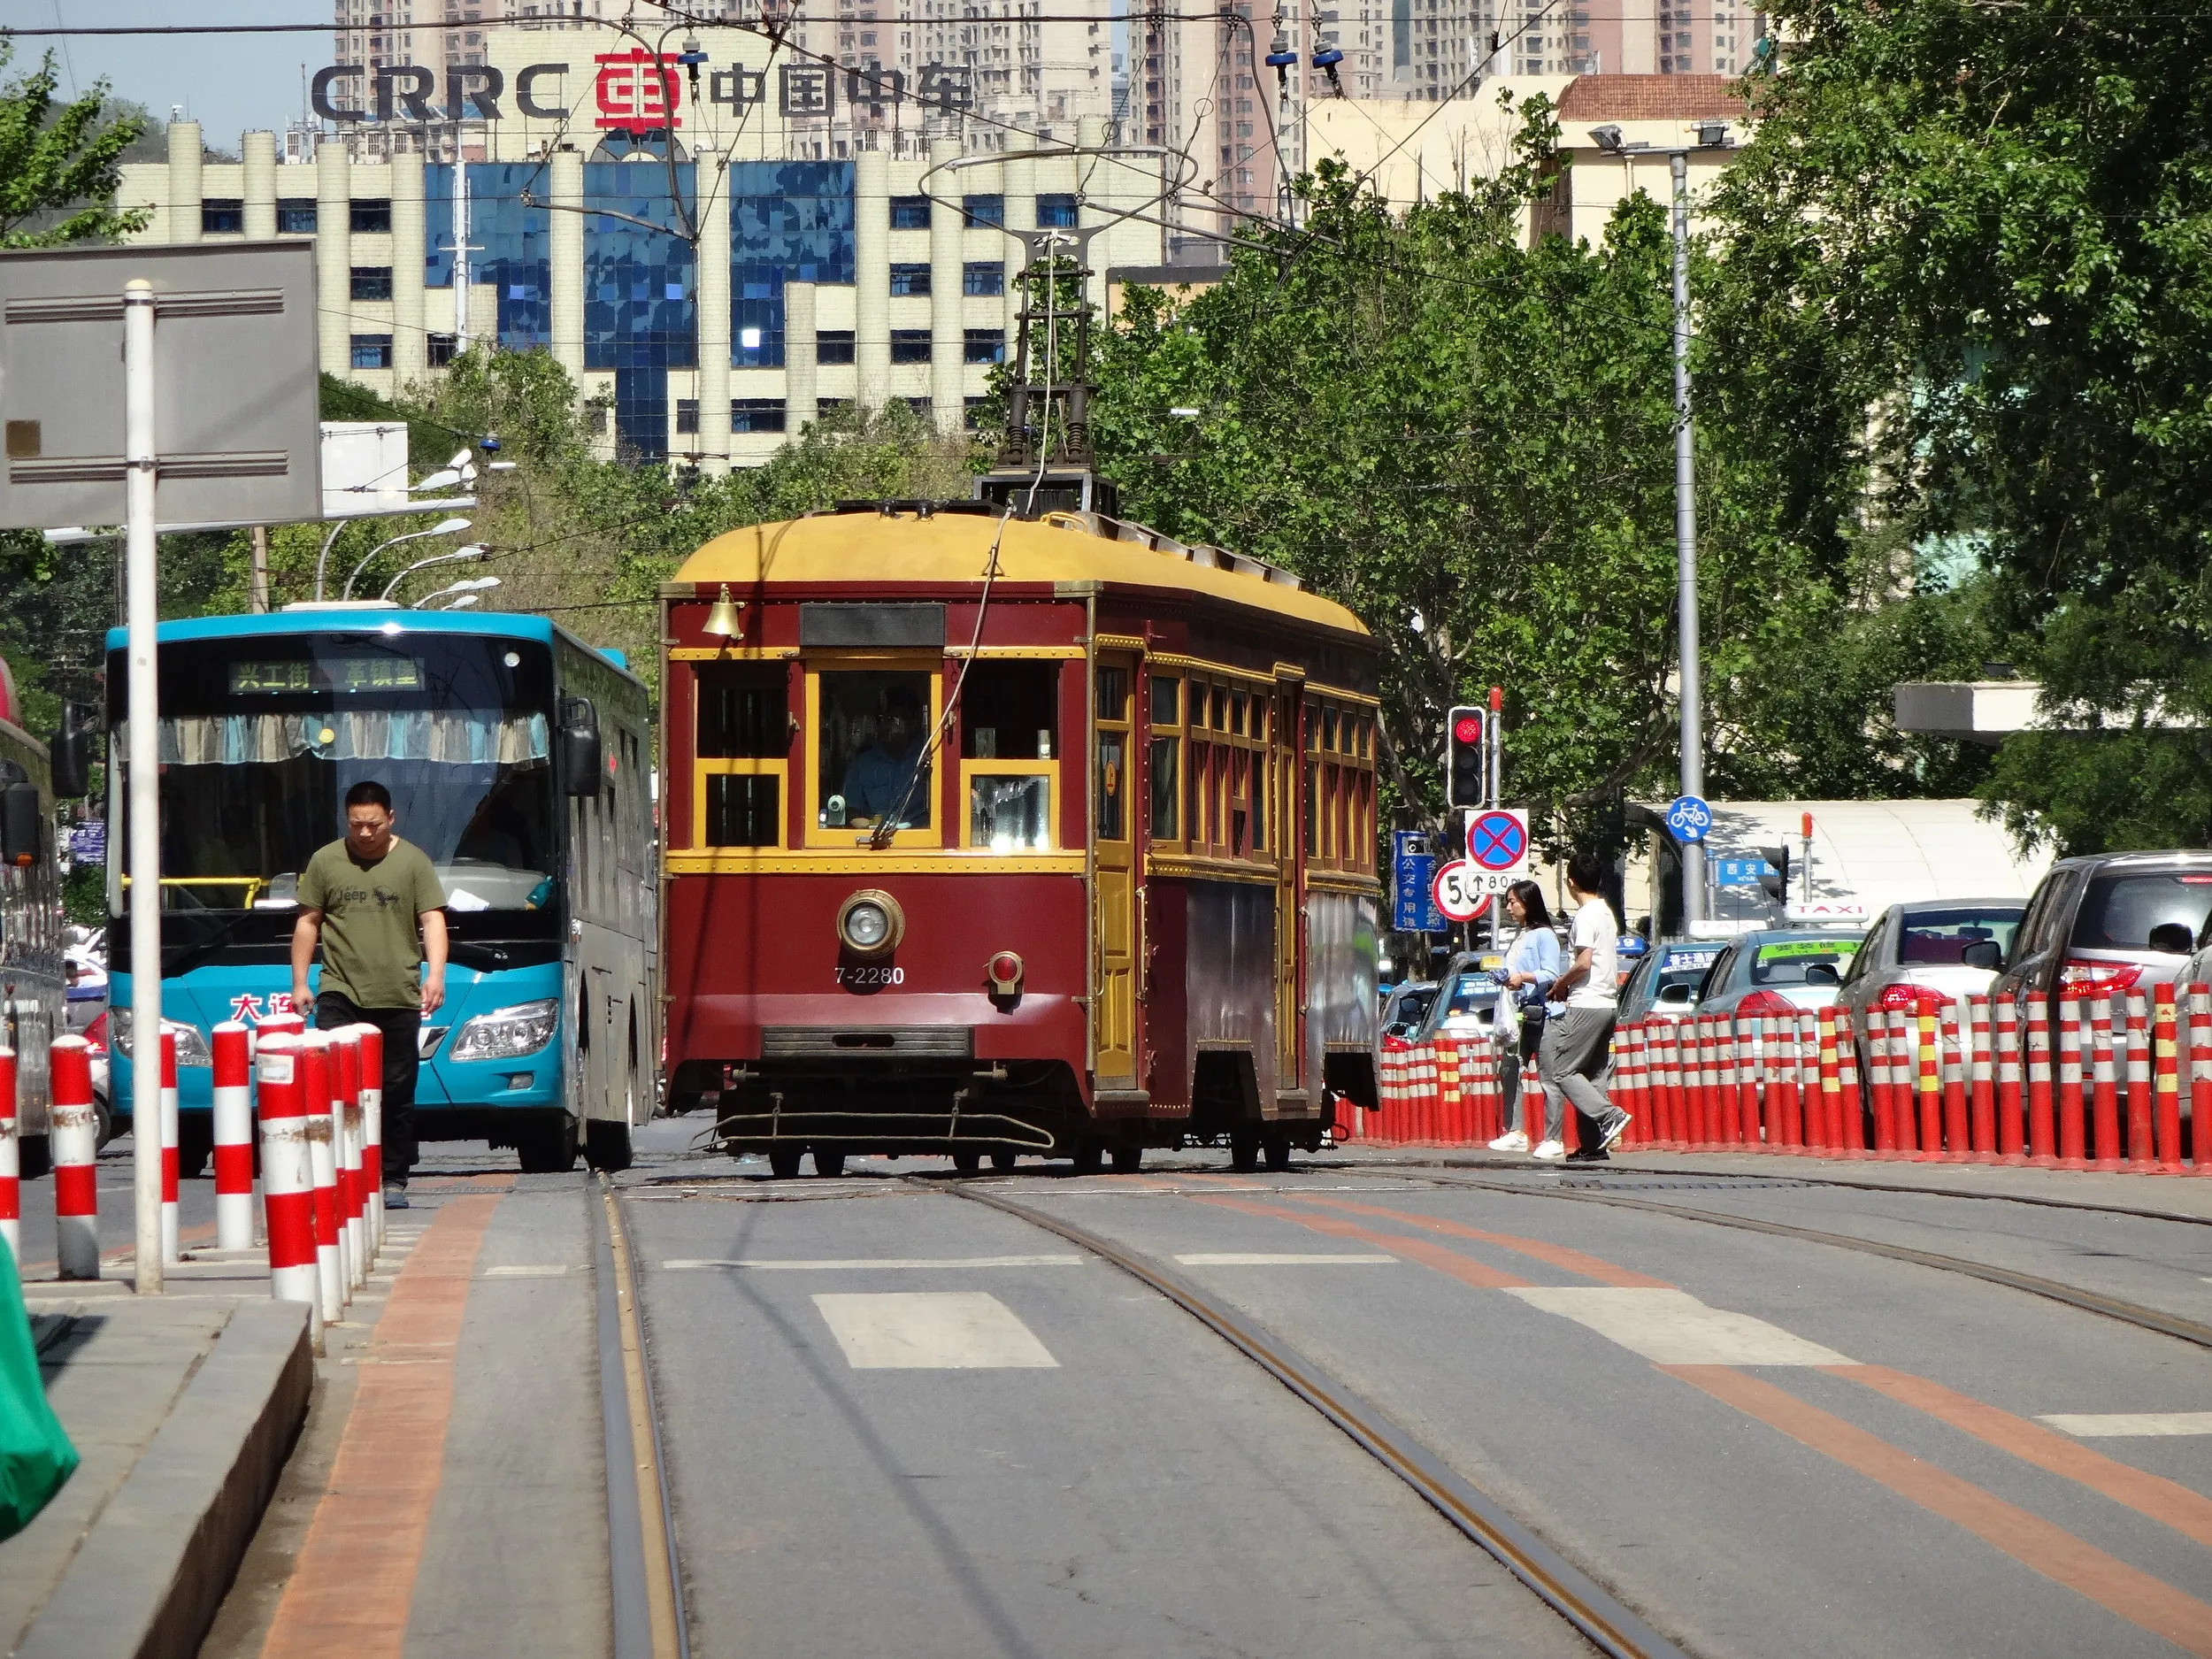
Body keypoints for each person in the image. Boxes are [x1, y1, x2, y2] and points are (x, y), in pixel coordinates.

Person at [291, 780, 448, 1210]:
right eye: (357, 825)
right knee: (337, 1087)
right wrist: (301, 982)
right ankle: (339, 1172)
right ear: (347, 820)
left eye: (373, 825)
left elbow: (432, 920)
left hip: (398, 993)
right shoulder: (325, 861)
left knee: (396, 1092)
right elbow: (309, 922)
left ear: (390, 819)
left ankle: (393, 1177)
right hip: (340, 990)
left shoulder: (413, 862)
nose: (364, 833)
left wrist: (435, 975)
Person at [1532, 851, 1632, 1164]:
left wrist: (1561, 984)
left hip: (1586, 1002)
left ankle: (1609, 1116)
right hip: (1607, 1003)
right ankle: (1593, 1144)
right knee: (1593, 1074)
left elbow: (1584, 963)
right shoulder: (1605, 913)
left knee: (1562, 1070)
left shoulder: (1586, 917)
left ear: (1571, 882)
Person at [1486, 880, 1563, 1154]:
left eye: (1512, 902)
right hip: (1519, 1016)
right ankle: (1516, 1131)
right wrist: (1504, 976)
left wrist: (1523, 978)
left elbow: (1552, 974)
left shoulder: (1544, 935)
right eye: (1507, 902)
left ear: (1527, 903)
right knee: (1509, 1069)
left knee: (1549, 1077)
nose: (1508, 907)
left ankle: (1554, 1138)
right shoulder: (1518, 936)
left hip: (1544, 1015)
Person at [841, 685, 930, 828]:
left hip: (922, 842)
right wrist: (871, 827)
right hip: (875, 842)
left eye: (893, 718)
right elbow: (851, 813)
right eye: (881, 718)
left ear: (912, 723)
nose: (886, 725)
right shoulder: (863, 764)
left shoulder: (927, 758)